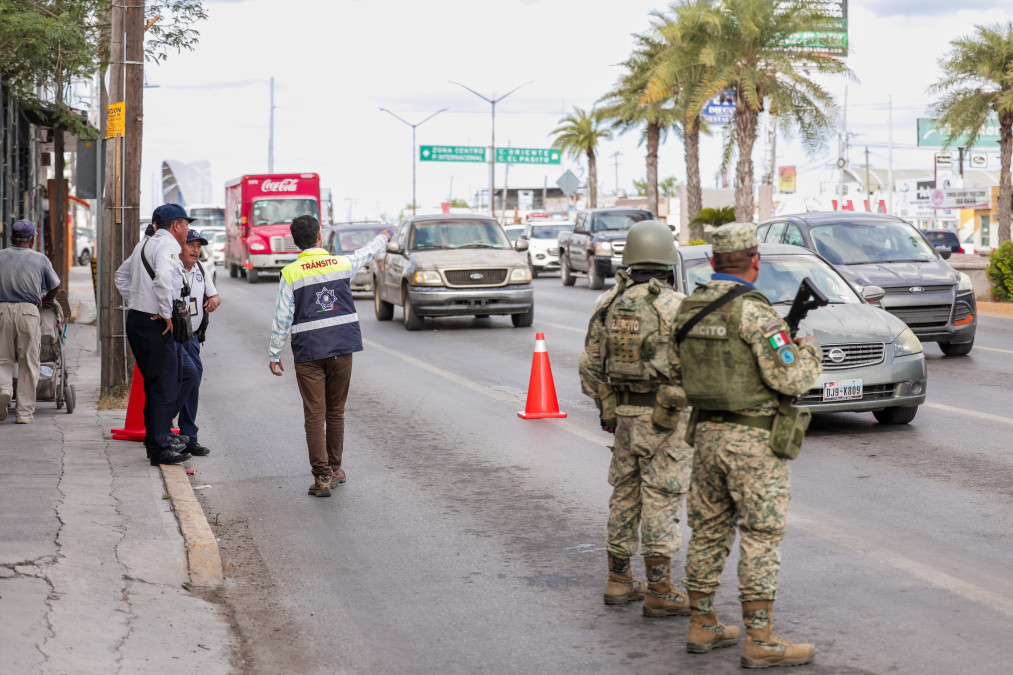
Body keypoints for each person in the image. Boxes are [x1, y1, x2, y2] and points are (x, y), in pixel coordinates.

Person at [676, 223, 822, 667]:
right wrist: (809, 349)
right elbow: (791, 378)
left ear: (714, 261)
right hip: (752, 440)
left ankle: (702, 624)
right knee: (760, 535)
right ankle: (761, 637)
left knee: (708, 529)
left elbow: (672, 368)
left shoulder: (688, 308)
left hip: (704, 434)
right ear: (755, 261)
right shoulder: (756, 314)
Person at [578, 220, 694, 617]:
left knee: (624, 495)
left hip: (624, 416)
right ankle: (660, 589)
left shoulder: (607, 304)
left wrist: (608, 408)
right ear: (667, 261)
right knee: (661, 496)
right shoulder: (675, 306)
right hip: (666, 418)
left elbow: (589, 367)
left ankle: (619, 578)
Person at [268, 215, 390, 498]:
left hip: (308, 353)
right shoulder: (341, 264)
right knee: (335, 412)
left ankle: (321, 477)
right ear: (320, 236)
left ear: (296, 243)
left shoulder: (291, 273)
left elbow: (282, 316)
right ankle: (335, 469)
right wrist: (384, 236)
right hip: (341, 349)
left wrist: (275, 352)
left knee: (314, 415)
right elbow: (367, 252)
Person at [115, 203, 194, 466]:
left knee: (155, 383)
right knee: (164, 385)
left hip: (138, 319)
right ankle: (159, 447)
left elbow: (120, 277)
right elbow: (162, 279)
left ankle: (156, 439)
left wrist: (139, 301)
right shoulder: (169, 245)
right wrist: (164, 312)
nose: (188, 229)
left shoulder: (144, 244)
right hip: (155, 323)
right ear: (176, 226)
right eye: (186, 223)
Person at [0, 219, 61, 423]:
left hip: (1, 311)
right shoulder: (40, 259)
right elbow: (55, 284)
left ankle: (4, 390)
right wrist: (48, 299)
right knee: (28, 362)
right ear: (32, 239)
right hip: (28, 312)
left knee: (3, 359)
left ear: (11, 238)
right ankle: (24, 413)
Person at [171, 228, 221, 457]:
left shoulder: (200, 269)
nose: (195, 250)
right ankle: (162, 426)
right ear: (179, 245)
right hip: (173, 337)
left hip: (192, 337)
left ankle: (189, 436)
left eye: (199, 246)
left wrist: (213, 300)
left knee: (192, 382)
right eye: (191, 244)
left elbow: (214, 295)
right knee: (189, 376)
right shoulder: (171, 268)